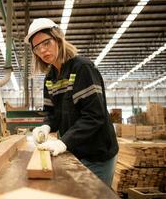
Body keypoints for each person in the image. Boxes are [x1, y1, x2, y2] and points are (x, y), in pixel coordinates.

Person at [25, 18, 119, 187]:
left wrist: (63, 141)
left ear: (58, 39)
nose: (43, 50)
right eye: (37, 48)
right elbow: (51, 113)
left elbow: (94, 116)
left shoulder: (82, 68)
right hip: (75, 151)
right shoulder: (50, 77)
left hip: (97, 153)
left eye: (46, 43)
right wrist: (45, 126)